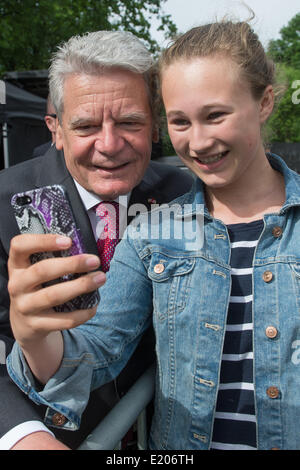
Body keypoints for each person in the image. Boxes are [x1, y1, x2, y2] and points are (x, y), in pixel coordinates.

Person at [7, 18, 298, 450]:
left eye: (215, 115)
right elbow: (97, 348)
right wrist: (34, 337)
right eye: (181, 121)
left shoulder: (164, 198)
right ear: (57, 129)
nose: (197, 142)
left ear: (265, 102)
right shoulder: (159, 230)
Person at [0, 30, 193, 450]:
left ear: (154, 125)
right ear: (55, 129)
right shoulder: (3, 203)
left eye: (129, 122)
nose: (109, 145)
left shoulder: (185, 198)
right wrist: (21, 435)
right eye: (86, 126)